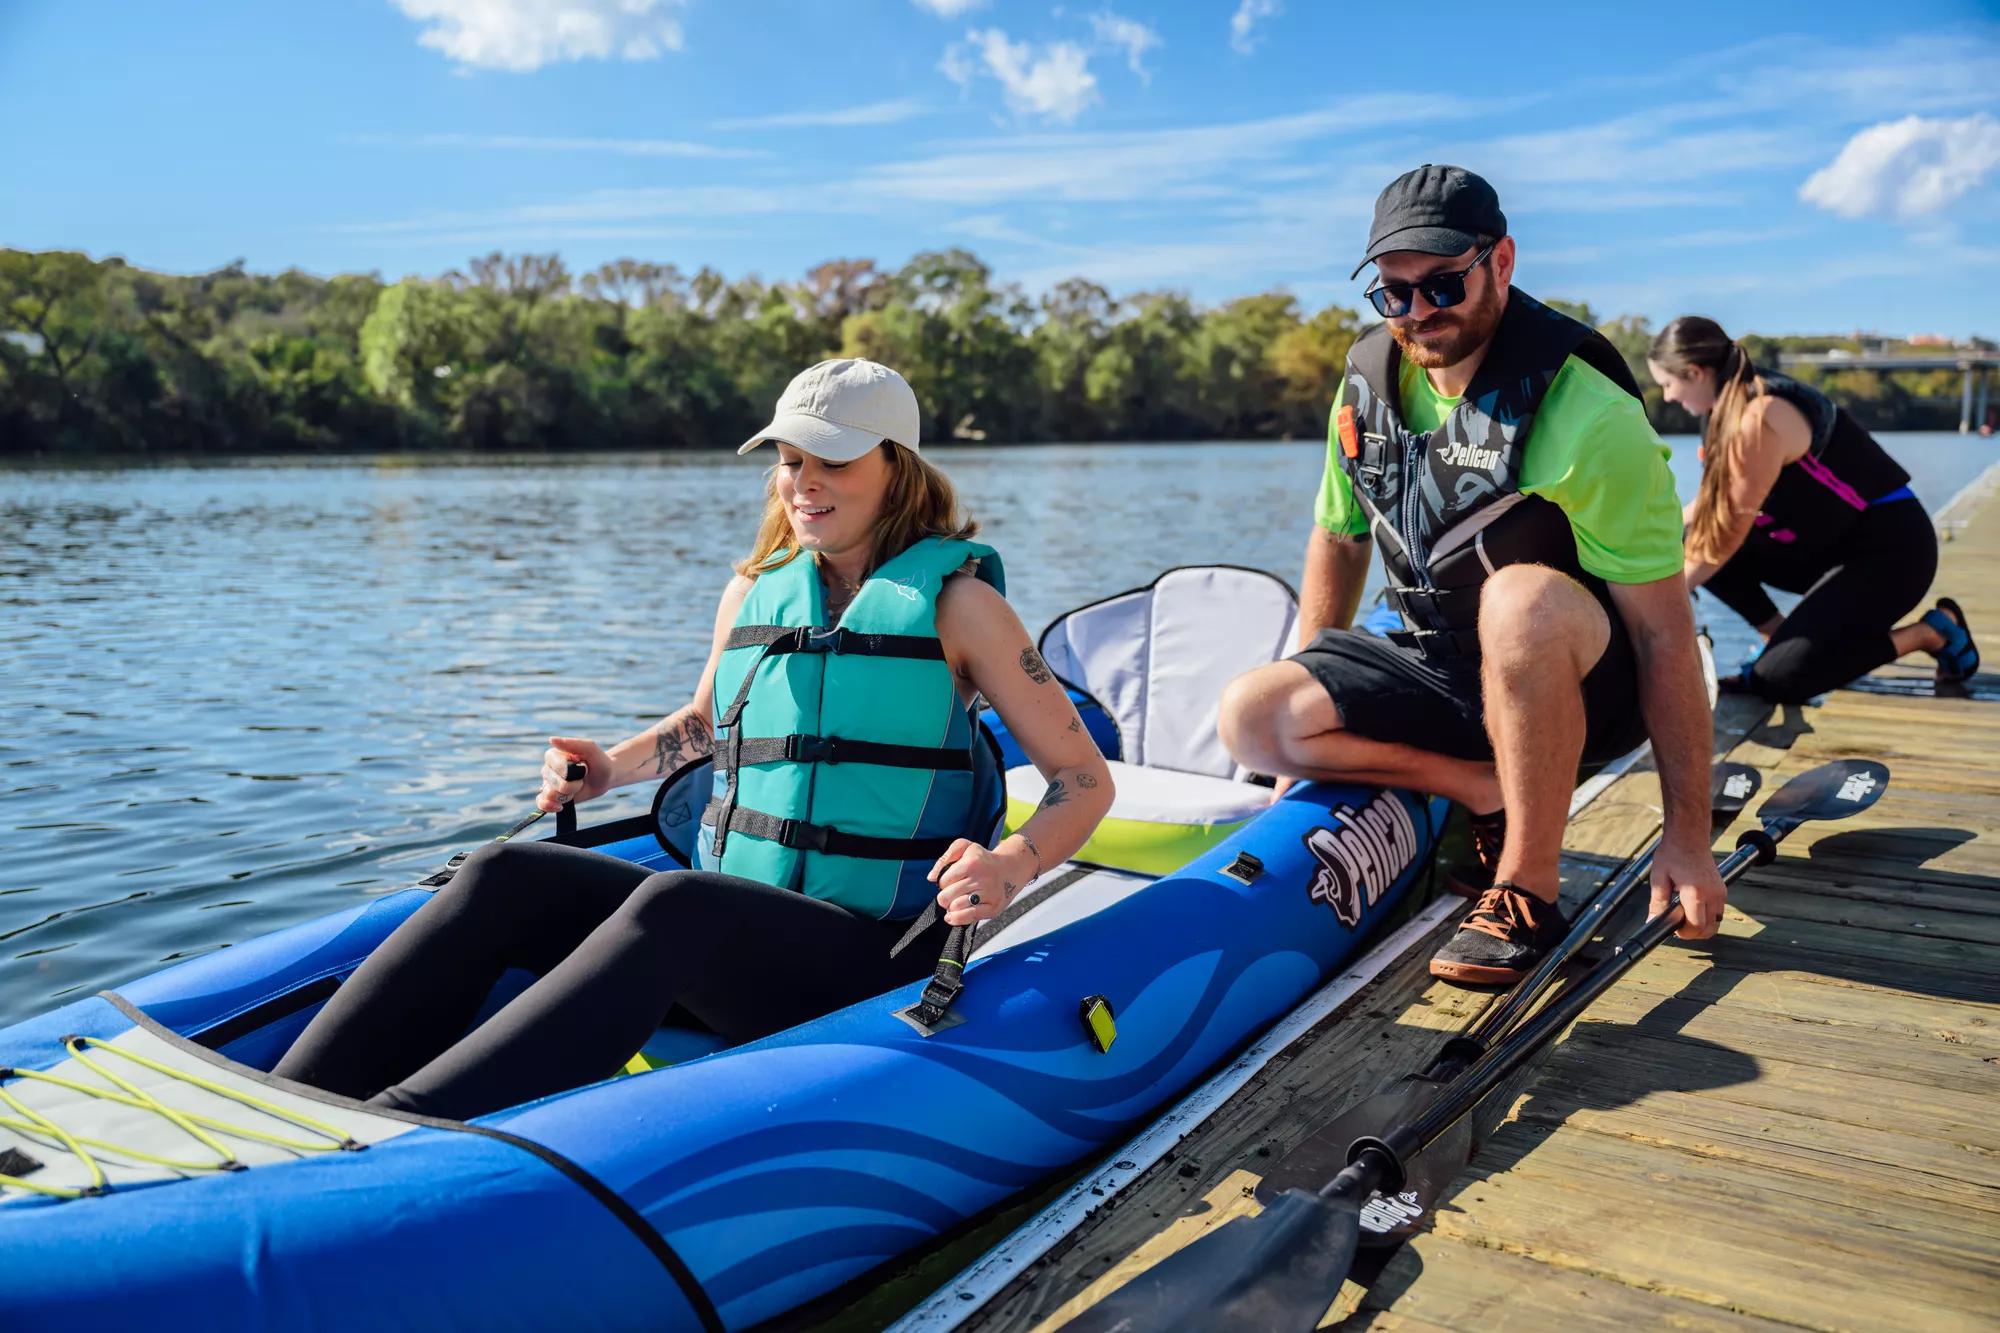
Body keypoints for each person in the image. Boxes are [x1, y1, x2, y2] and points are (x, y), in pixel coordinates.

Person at [276, 358, 1113, 1120]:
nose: (803, 483)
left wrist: (1010, 865)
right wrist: (609, 767)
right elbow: (703, 726)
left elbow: (1082, 778)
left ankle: (401, 1127)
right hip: (741, 945)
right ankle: (289, 1104)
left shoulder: (960, 607)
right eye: (790, 459)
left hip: (872, 955)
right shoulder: (753, 592)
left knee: (678, 904)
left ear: (898, 467)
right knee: (503, 872)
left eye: (833, 461)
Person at [1218, 164, 1725, 986]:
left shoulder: (1589, 413)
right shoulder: (1364, 388)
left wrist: (1689, 838)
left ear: (1502, 262)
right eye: (1395, 293)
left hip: (1581, 686)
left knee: (1518, 599)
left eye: (1444, 285)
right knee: (1252, 714)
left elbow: (1664, 631)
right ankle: (1481, 789)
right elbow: (1339, 538)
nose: (1419, 311)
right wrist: (1308, 701)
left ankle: (1527, 885)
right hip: (1443, 671)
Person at [1649, 316, 1977, 699]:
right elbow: (1710, 505)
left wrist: (1661, 598)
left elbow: (1724, 534)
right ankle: (1778, 638)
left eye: (1668, 385)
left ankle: (1931, 633)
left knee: (1779, 680)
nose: (1668, 396)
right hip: (1827, 546)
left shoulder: (1762, 416)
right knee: (1684, 537)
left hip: (1894, 554)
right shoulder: (1724, 406)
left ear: (1695, 372)